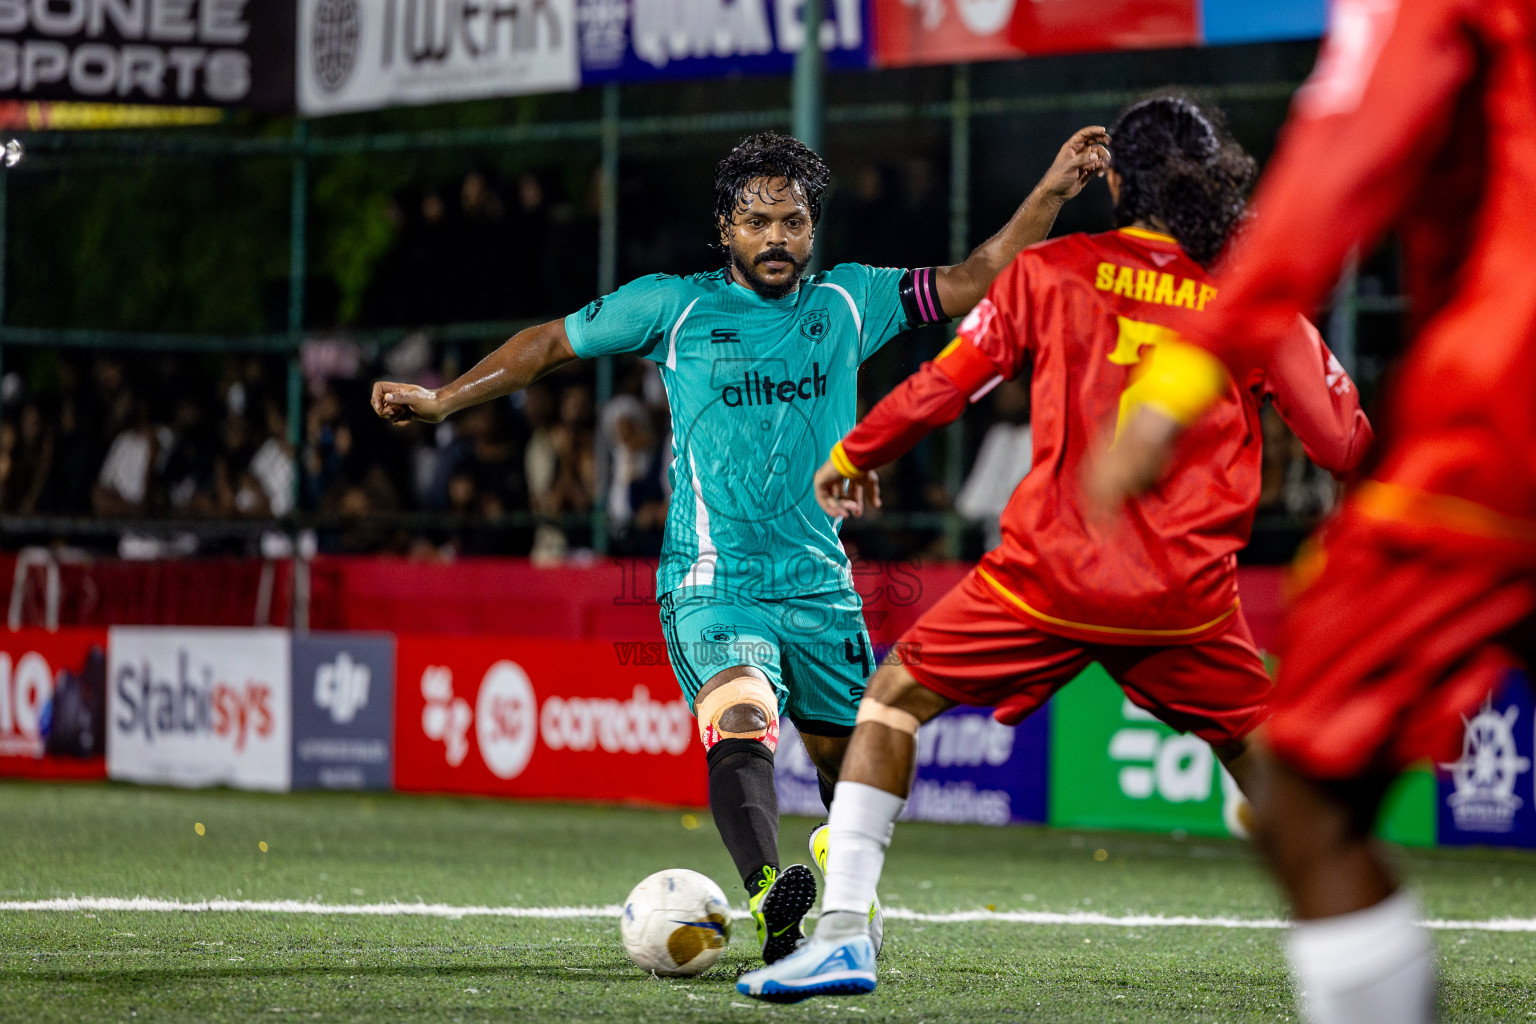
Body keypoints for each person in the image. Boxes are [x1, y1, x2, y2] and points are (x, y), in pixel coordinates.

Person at [370, 127, 1111, 964]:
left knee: (852, 771)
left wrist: (1051, 188)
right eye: (757, 223)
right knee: (743, 717)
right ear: (724, 227)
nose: (776, 240)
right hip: (713, 581)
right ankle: (768, 890)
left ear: (812, 228)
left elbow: (978, 278)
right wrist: (442, 400)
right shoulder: (671, 307)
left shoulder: (848, 302)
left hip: (821, 587)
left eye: (792, 222)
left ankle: (836, 873)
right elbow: (548, 345)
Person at [737, 94, 1373, 1003]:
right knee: (1260, 753)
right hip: (1185, 596)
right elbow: (1347, 444)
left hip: (1051, 577)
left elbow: (947, 385)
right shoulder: (1249, 297)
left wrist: (851, 454)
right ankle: (1356, 941)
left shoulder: (1053, 272)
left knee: (890, 703)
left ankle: (842, 936)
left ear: (1116, 181)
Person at [1089, 3, 1536, 1022]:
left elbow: (1340, 167)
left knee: (1306, 802)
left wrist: (1182, 379)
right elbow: (1342, 438)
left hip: (1503, 420)